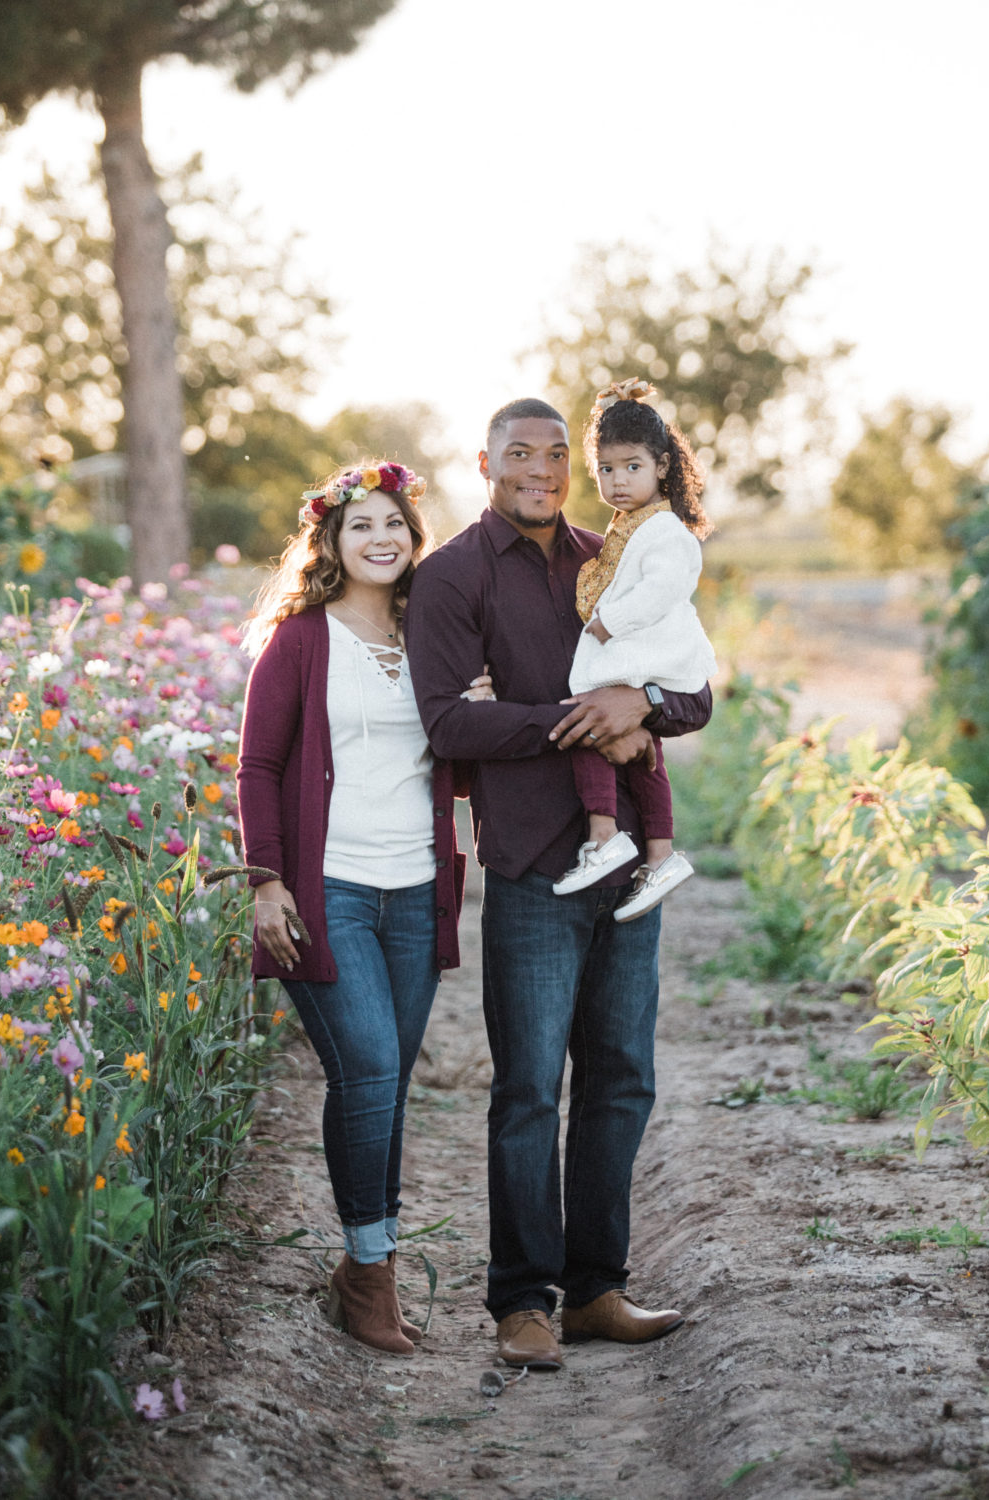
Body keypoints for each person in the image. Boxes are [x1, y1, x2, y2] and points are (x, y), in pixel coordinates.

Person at [404, 399, 713, 1371]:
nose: (541, 468)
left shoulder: (616, 554)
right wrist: (574, 718)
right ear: (484, 459)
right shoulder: (453, 575)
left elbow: (696, 692)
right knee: (532, 1088)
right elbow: (449, 724)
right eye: (519, 453)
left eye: (554, 454)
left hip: (624, 858)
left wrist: (643, 701)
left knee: (622, 1077)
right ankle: (522, 1303)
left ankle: (596, 1291)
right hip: (535, 860)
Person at [236, 459, 480, 1357]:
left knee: (384, 1082)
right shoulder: (302, 639)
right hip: (325, 888)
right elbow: (257, 765)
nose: (381, 539)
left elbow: (455, 746)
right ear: (331, 543)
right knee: (370, 1066)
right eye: (360, 526)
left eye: (394, 524)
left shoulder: (439, 639)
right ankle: (369, 1272)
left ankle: (360, 1268)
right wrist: (266, 879)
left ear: (416, 539)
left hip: (415, 890)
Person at [553, 378, 717, 921]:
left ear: (662, 466)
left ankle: (606, 837)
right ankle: (658, 853)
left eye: (632, 467)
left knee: (588, 721)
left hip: (650, 654)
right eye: (606, 469)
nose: (618, 481)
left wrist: (608, 623)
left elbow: (665, 588)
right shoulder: (629, 525)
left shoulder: (667, 529)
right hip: (639, 655)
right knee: (640, 750)